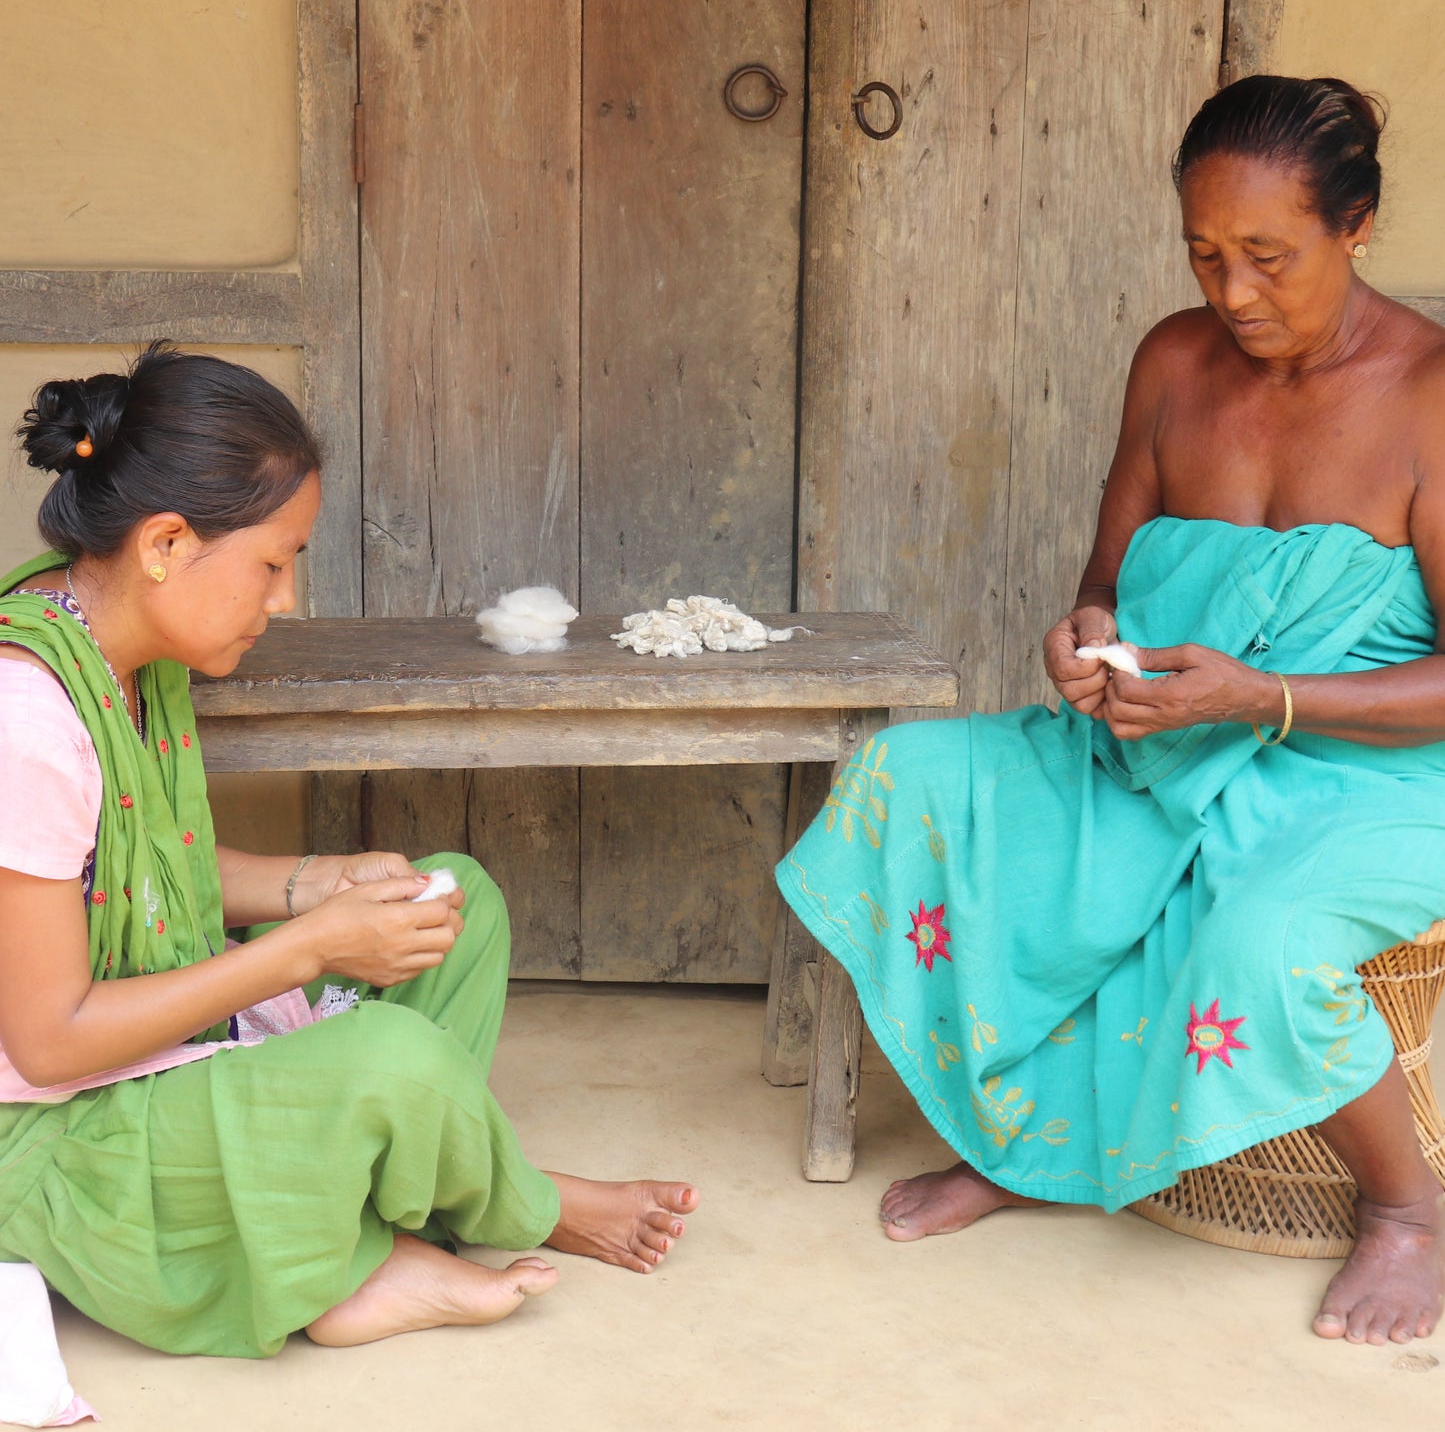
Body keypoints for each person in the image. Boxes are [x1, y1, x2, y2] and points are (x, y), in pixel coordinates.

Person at [776, 75, 1445, 1347]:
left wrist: (1271, 697)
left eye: (1267, 256)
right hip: (1160, 741)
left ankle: (1407, 1209)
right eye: (1203, 254)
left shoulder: (1429, 395)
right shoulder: (1169, 361)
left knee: (1262, 928)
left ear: (1353, 225)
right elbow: (1101, 587)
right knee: (907, 779)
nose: (1231, 293)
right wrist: (1085, 645)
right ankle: (1023, 1138)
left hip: (1367, 767)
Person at [0, 343, 698, 1357]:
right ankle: (501, 1206)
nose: (282, 600)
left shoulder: (121, 652)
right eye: (272, 563)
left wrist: (310, 884)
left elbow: (127, 873)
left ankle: (341, 1239)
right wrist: (310, 945)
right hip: (56, 1137)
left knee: (454, 898)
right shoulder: (24, 717)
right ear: (163, 544)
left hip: (142, 1065)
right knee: (393, 1059)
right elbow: (50, 1042)